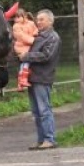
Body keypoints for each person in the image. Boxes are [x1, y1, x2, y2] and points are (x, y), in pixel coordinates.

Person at [22, 10, 61, 150]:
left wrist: (26, 56)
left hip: (43, 78)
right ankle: (40, 140)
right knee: (36, 111)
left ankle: (50, 139)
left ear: (51, 21)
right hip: (32, 78)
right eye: (37, 19)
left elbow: (46, 56)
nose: (38, 22)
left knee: (44, 110)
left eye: (42, 19)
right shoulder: (36, 36)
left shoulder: (53, 37)